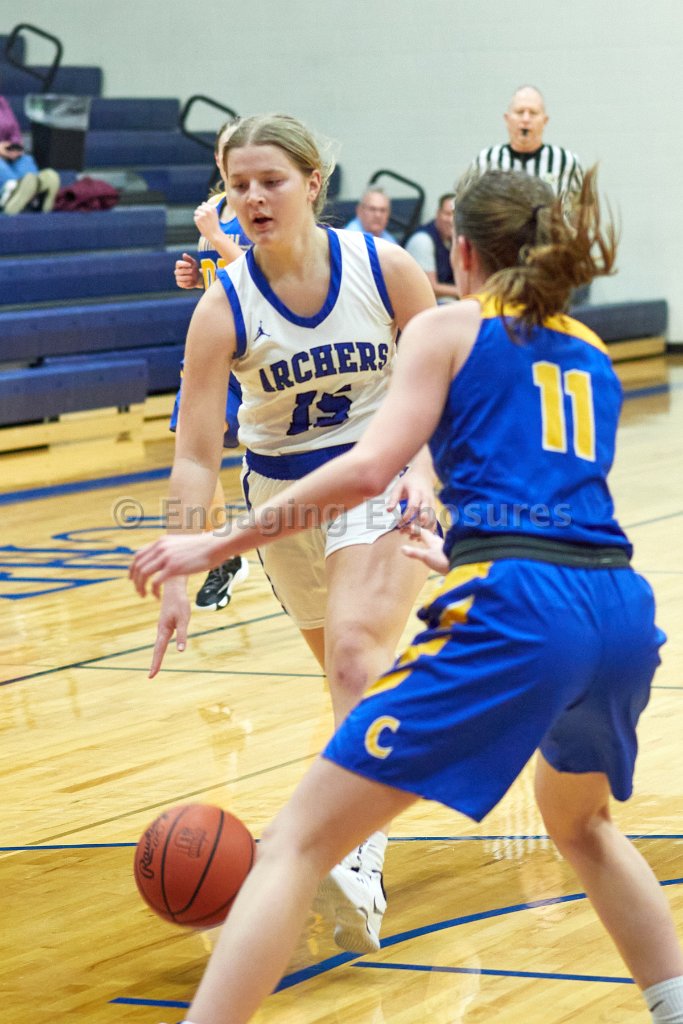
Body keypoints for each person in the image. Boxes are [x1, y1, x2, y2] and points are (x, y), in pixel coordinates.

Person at [131, 165, 683, 1024]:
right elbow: (552, 495)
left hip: (524, 607)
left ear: (460, 253)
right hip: (617, 608)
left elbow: (365, 469)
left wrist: (215, 541)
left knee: (297, 843)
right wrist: (459, 547)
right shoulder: (588, 349)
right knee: (582, 828)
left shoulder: (446, 328)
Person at [142, 113, 436, 952]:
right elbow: (196, 455)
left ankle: (356, 861)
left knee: (353, 659)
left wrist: (423, 470)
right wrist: (177, 569)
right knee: (350, 684)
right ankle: (436, 728)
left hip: (379, 475)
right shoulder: (223, 306)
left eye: (270, 180)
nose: (253, 197)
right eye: (238, 185)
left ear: (312, 183)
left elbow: (445, 376)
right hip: (282, 502)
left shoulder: (383, 267)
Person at [172, 119, 251, 611]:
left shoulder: (255, 205)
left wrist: (216, 238)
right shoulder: (214, 206)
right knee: (192, 440)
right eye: (225, 149)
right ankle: (224, 553)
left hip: (256, 345)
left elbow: (259, 272)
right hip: (211, 345)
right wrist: (192, 274)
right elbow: (218, 276)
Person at [472, 84, 583, 201]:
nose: (526, 119)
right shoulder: (485, 160)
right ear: (507, 119)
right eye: (520, 112)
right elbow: (466, 206)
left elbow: (583, 207)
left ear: (545, 121)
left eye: (533, 113)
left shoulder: (566, 162)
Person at [0, 95, 60, 215]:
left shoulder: (2, 102)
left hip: (7, 154)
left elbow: (14, 130)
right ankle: (12, 194)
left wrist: (15, 146)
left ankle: (35, 191)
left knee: (25, 160)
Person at [405, 192, 459, 302]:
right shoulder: (422, 240)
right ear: (438, 213)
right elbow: (430, 287)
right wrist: (469, 292)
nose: (451, 220)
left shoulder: (454, 239)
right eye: (447, 214)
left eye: (455, 215)